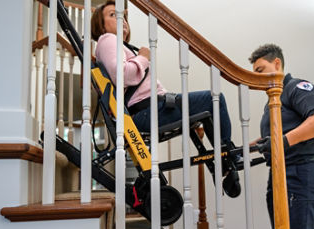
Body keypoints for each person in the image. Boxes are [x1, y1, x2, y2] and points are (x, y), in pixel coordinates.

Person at [91, 0, 231, 144]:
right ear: (101, 25)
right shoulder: (107, 39)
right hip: (148, 111)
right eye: (113, 15)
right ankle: (228, 156)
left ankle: (225, 155)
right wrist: (143, 57)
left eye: (123, 16)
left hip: (150, 110)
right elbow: (122, 75)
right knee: (214, 98)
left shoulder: (117, 45)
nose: (122, 19)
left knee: (209, 103)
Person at [249, 44, 314, 229]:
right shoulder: (273, 100)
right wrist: (247, 147)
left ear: (277, 63)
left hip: (301, 172)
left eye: (260, 71)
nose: (257, 78)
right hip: (280, 173)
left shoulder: (295, 87)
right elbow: (275, 136)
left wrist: (281, 142)